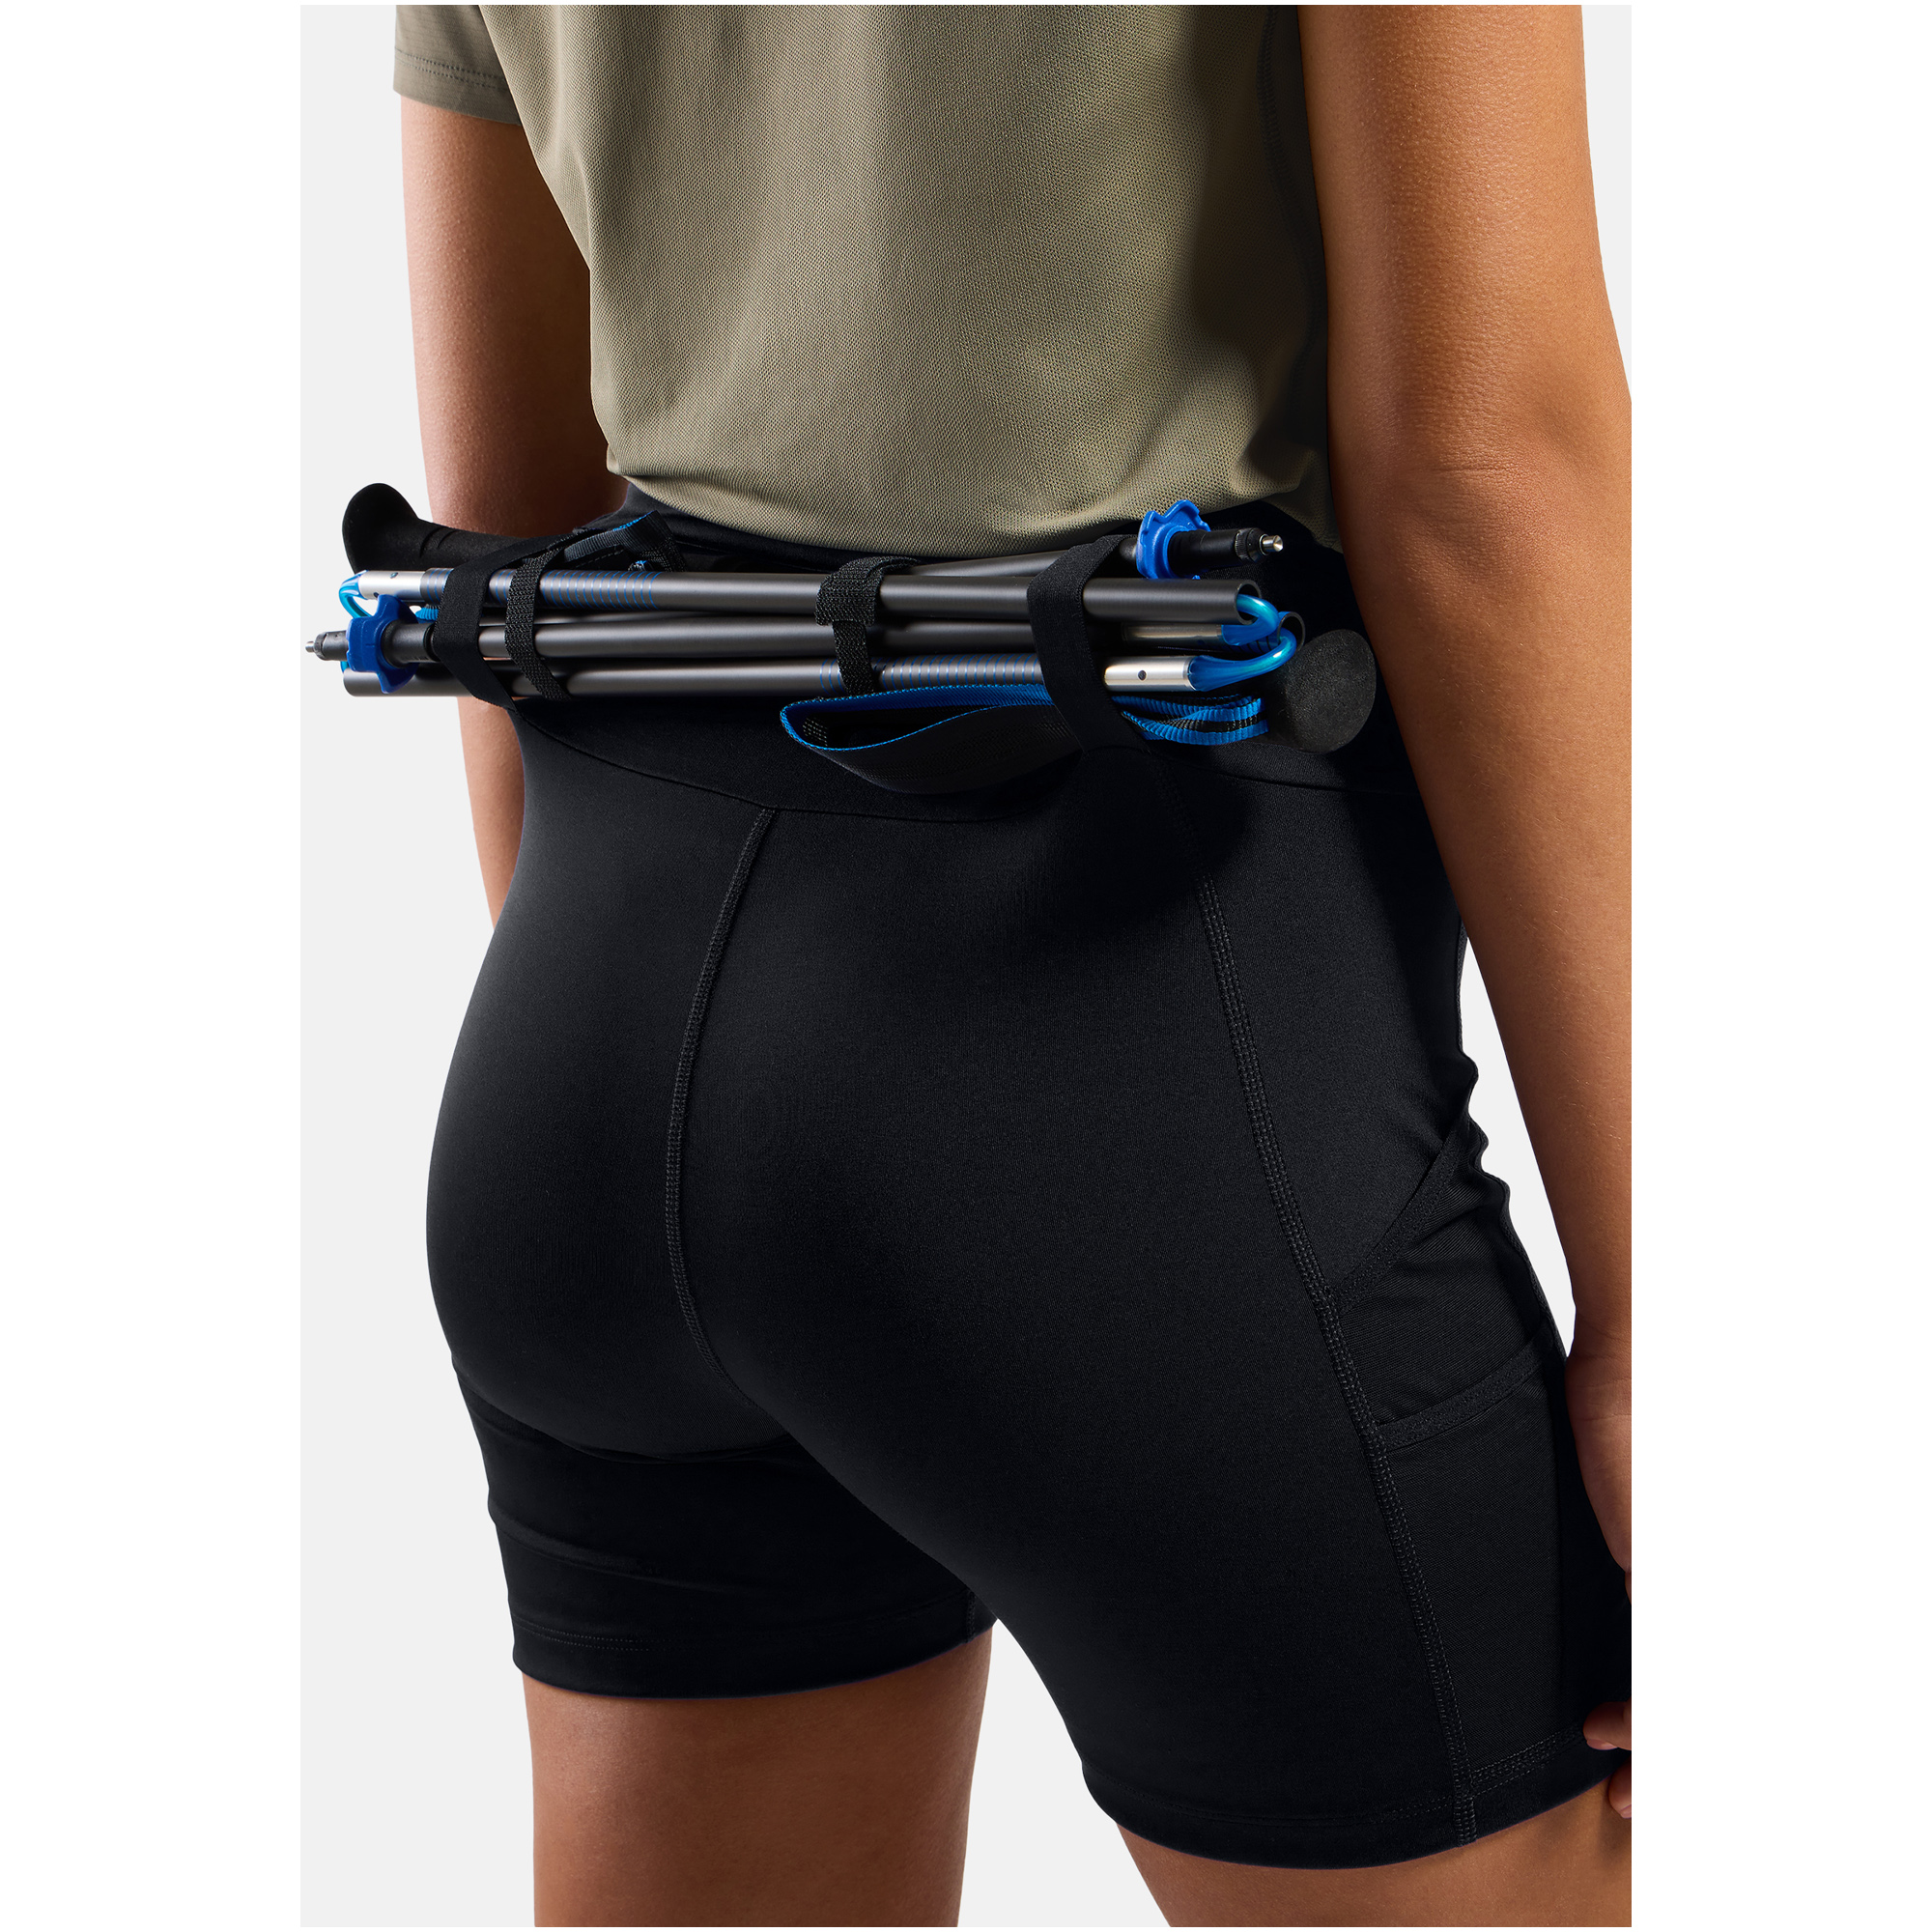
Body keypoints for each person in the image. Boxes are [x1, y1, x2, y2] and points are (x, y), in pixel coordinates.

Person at [388, 5, 1630, 1923]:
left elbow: (507, 511)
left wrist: (701, 1108)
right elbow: (1482, 470)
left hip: (588, 1037)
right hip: (1146, 1061)